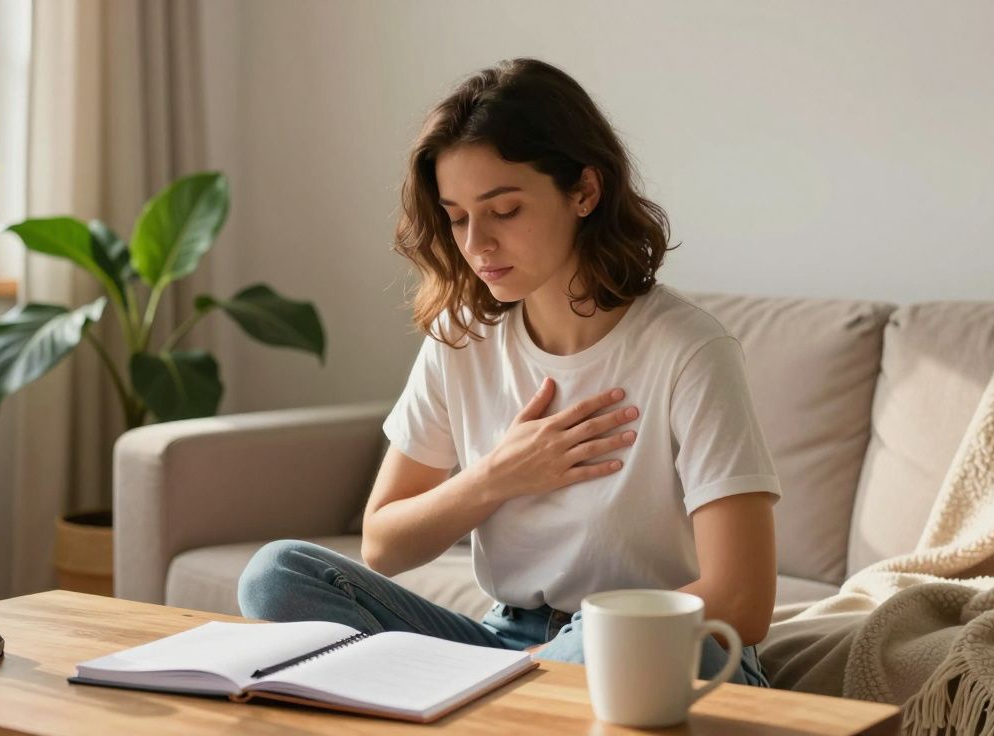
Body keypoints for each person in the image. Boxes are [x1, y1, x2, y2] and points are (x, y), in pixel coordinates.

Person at [239, 58, 779, 686]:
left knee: (597, 646)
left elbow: (743, 601)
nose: (477, 244)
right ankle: (500, 703)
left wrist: (584, 643)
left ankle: (478, 703)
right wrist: (497, 477)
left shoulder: (688, 350)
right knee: (278, 575)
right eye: (459, 216)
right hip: (509, 640)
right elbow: (383, 544)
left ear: (584, 190)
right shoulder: (463, 338)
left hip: (662, 646)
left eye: (505, 210)